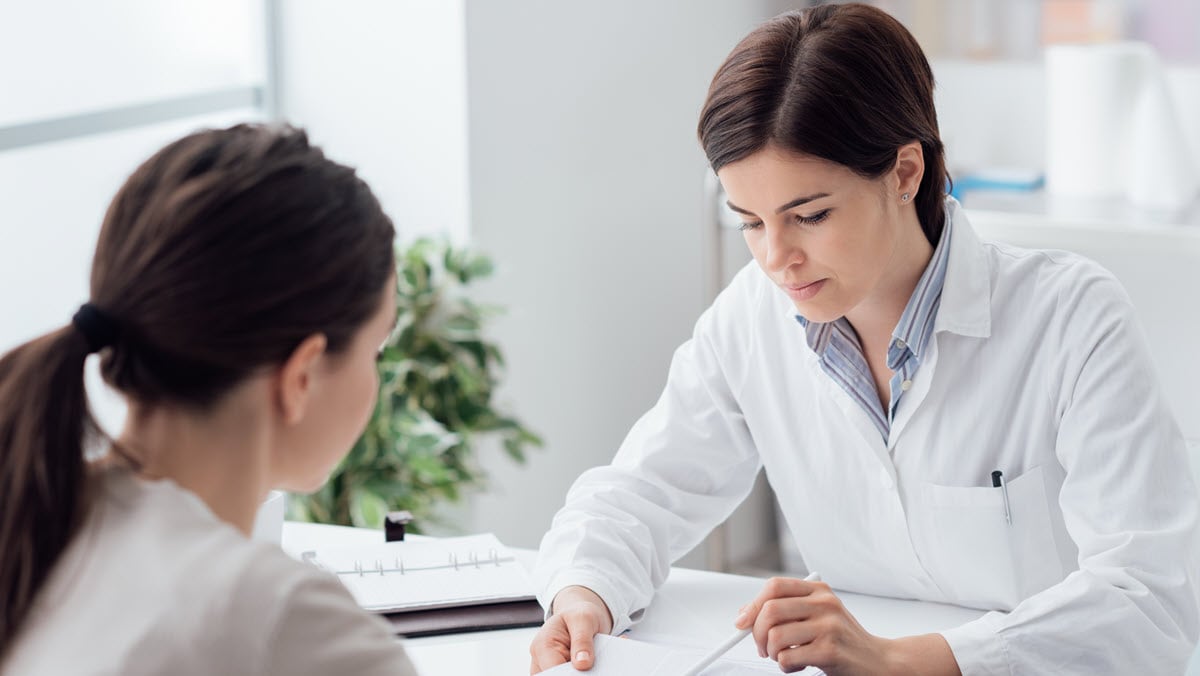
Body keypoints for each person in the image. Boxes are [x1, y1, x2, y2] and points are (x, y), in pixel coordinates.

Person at [529, 4, 1200, 674]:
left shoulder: (1070, 317)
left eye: (809, 215)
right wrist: (584, 591)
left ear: (905, 173)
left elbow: (1151, 598)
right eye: (750, 222)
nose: (775, 257)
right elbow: (640, 494)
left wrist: (903, 661)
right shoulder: (752, 319)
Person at [0, 124, 419, 675]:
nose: (376, 380)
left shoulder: (34, 519)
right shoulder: (282, 617)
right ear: (302, 376)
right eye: (376, 351)